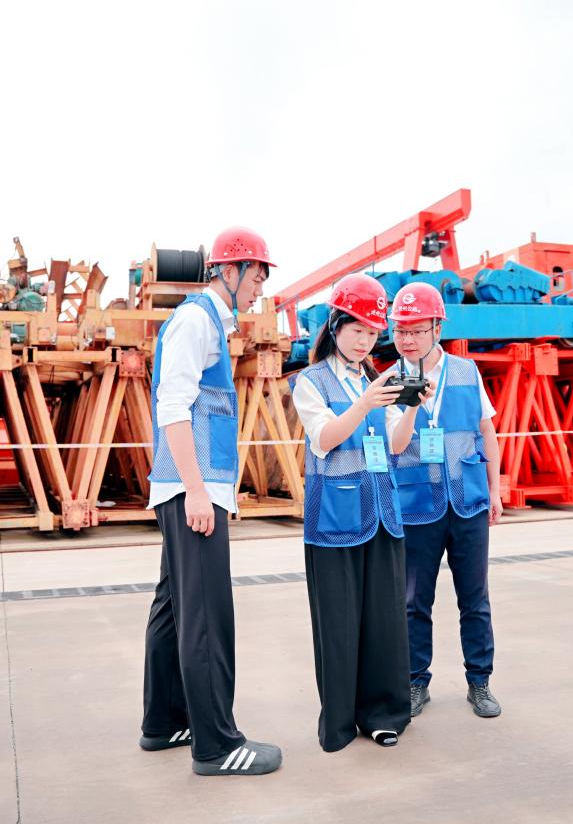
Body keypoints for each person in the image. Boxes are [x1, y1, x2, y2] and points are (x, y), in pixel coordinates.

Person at [140, 226, 282, 776]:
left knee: (174, 608)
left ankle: (164, 722)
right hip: (189, 491)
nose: (260, 287)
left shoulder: (212, 325)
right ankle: (217, 745)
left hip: (190, 488)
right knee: (206, 616)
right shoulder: (196, 321)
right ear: (229, 270)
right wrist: (198, 492)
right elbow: (172, 406)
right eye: (257, 275)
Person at [291, 273, 434, 751]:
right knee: (338, 625)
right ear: (335, 326)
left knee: (384, 622)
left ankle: (385, 714)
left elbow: (395, 444)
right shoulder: (310, 382)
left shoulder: (378, 380)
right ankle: (338, 722)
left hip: (382, 516)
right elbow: (324, 438)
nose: (364, 341)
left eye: (373, 333)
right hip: (334, 519)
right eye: (357, 330)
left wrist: (411, 408)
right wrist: (364, 403)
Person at [388, 282, 504, 719]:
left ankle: (480, 682)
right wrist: (410, 402)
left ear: (438, 328)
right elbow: (396, 445)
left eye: (417, 330)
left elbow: (486, 431)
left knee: (474, 599)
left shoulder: (467, 373)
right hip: (417, 506)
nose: (407, 339)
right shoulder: (390, 381)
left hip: (468, 501)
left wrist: (495, 490)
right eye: (401, 330)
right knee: (414, 602)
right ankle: (416, 682)